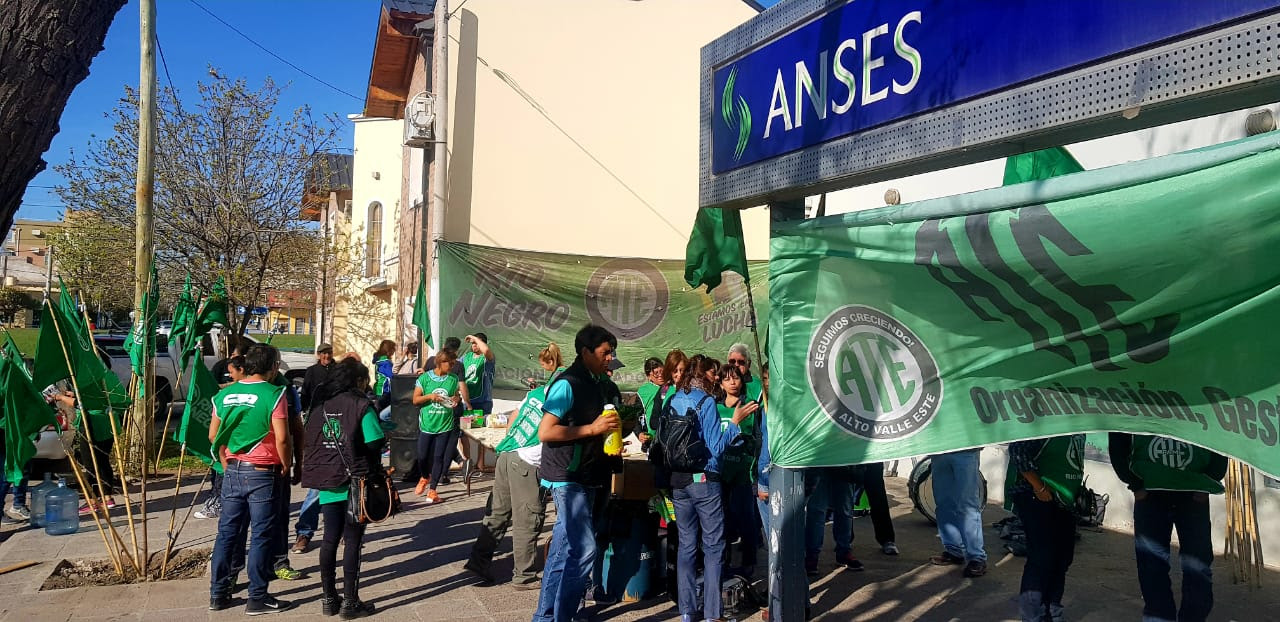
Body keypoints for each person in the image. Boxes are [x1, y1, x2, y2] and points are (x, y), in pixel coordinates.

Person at [532, 325, 622, 622]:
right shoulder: (567, 383)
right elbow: (546, 431)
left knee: (562, 551)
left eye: (612, 353)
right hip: (567, 478)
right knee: (584, 551)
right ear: (585, 352)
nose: (610, 358)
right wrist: (592, 429)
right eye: (605, 353)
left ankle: (545, 617)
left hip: (590, 474)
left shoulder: (599, 383)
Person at [464, 344, 565, 589]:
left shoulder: (536, 393)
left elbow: (513, 418)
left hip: (508, 453)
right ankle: (524, 575)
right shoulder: (561, 400)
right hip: (527, 462)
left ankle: (479, 560)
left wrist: (514, 443)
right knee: (528, 517)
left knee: (498, 512)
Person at [665, 353, 754, 622]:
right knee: (714, 547)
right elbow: (715, 448)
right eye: (714, 373)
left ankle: (687, 612)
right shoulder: (706, 403)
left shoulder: (673, 400)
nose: (717, 378)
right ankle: (713, 614)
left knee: (686, 547)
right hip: (706, 481)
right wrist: (735, 423)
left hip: (678, 482)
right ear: (703, 374)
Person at [208, 344, 293, 614]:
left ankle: (218, 594)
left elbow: (213, 435)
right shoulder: (274, 393)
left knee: (227, 534)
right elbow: (281, 437)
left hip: (232, 469)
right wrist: (287, 463)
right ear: (273, 367)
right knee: (261, 534)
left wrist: (224, 456)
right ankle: (257, 597)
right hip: (262, 472)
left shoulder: (225, 394)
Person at [301, 357, 385, 619]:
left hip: (326, 481)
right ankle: (350, 602)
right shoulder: (361, 406)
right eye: (365, 381)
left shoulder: (320, 406)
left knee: (329, 539)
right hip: (354, 482)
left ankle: (328, 598)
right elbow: (374, 442)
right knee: (353, 541)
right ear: (358, 381)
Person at [1110, 434, 1226, 622]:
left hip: (1194, 493)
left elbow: (1219, 430)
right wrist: (1134, 482)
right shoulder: (1137, 402)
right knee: (1151, 566)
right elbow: (1118, 432)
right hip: (1150, 494)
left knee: (1198, 567)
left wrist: (1210, 478)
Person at [1007, 434, 1085, 622]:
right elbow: (1018, 452)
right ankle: (1032, 616)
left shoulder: (1079, 422)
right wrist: (1039, 487)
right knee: (1042, 559)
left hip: (1065, 500)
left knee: (1062, 559)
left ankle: (1052, 612)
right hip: (1037, 498)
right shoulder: (1045, 419)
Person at [716, 363, 763, 576]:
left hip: (744, 472)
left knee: (746, 518)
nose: (732, 382)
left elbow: (759, 436)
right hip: (721, 471)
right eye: (727, 378)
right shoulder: (715, 407)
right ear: (721, 383)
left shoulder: (751, 406)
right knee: (721, 520)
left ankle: (749, 561)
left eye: (736, 377)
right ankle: (723, 562)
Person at [412, 349, 470, 504]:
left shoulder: (453, 379)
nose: (451, 367)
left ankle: (432, 491)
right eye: (449, 364)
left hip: (445, 424)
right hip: (427, 424)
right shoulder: (425, 378)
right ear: (440, 362)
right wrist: (430, 396)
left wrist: (456, 399)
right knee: (422, 456)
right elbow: (415, 400)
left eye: (453, 364)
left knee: (439, 457)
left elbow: (456, 394)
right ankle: (425, 476)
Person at [196, 355, 246, 520]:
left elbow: (213, 435)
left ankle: (217, 506)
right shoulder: (268, 392)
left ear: (242, 369)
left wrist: (221, 454)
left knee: (225, 483)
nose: (230, 375)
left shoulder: (223, 397)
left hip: (229, 450)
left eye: (232, 371)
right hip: (254, 457)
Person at [928, 449, 988, 577]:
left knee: (967, 505)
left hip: (966, 449)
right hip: (939, 450)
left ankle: (977, 558)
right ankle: (954, 551)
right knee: (943, 503)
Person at [804, 466, 860, 575]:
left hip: (845, 464)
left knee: (845, 511)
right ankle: (811, 557)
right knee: (817, 513)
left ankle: (843, 552)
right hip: (819, 464)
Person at [854, 462, 898, 555]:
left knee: (878, 498)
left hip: (872, 459)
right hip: (848, 456)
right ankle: (844, 543)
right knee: (844, 500)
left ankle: (887, 540)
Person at [462, 333, 496, 415]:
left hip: (483, 402)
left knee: (481, 427)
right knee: (466, 426)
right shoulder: (466, 357)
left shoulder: (487, 358)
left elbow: (486, 350)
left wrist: (474, 338)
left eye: (476, 343)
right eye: (472, 343)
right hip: (467, 401)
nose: (474, 345)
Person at [635, 357, 664, 445]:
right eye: (656, 373)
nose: (660, 375)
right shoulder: (643, 392)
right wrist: (639, 433)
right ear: (649, 376)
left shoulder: (670, 387)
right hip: (652, 440)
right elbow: (635, 416)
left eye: (662, 371)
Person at [301, 343, 336, 412]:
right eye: (324, 353)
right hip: (316, 409)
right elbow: (305, 392)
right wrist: (306, 409)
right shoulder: (312, 371)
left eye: (329, 353)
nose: (327, 356)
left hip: (334, 409)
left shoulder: (338, 370)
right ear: (319, 354)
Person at [371, 339, 396, 412]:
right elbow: (391, 376)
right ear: (389, 350)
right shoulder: (386, 363)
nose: (394, 352)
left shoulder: (378, 361)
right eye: (393, 349)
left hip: (378, 389)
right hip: (384, 390)